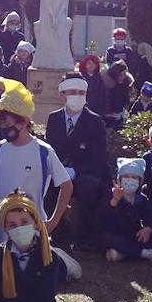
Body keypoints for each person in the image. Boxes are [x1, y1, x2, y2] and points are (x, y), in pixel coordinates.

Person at [0, 83, 75, 259]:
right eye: (1, 125)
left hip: (34, 232)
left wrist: (52, 222)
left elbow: (66, 186)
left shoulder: (43, 151)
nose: (4, 129)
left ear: (23, 121)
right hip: (1, 233)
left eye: (8, 124)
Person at [45, 75, 109, 247]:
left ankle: (85, 237)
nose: (78, 96)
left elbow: (99, 159)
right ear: (62, 94)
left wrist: (74, 172)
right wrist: (59, 170)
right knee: (46, 184)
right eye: (73, 92)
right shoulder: (53, 119)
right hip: (60, 171)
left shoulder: (95, 122)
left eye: (82, 93)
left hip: (85, 173)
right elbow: (50, 151)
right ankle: (57, 232)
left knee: (88, 186)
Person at [100, 159, 152, 263]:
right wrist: (114, 201)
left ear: (140, 181)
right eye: (126, 176)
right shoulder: (111, 194)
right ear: (120, 179)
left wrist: (148, 229)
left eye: (134, 177)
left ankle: (123, 253)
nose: (130, 180)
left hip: (135, 236)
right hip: (116, 235)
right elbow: (102, 219)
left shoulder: (142, 199)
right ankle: (144, 254)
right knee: (105, 238)